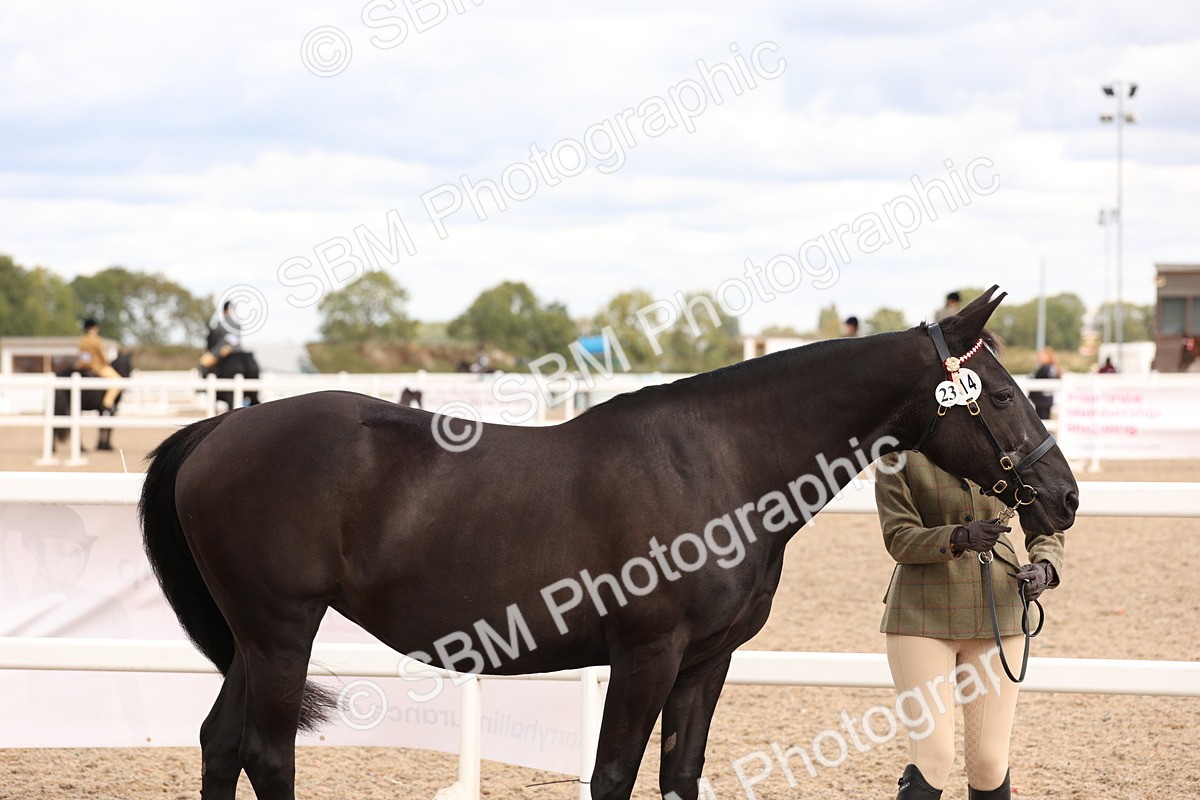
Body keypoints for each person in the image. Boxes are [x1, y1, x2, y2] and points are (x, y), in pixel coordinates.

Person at [876, 450, 1064, 799]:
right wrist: (957, 537)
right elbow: (898, 536)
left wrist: (1046, 566)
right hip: (922, 612)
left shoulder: (1005, 445)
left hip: (1001, 610)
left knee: (990, 761)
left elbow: (1045, 518)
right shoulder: (897, 455)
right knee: (934, 755)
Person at [74, 319, 121, 411]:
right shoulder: (97, 340)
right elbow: (102, 355)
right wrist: (107, 363)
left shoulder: (82, 341)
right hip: (98, 368)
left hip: (84, 367)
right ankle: (107, 403)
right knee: (118, 381)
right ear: (94, 327)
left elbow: (83, 356)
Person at [201, 301, 242, 369]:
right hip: (238, 350)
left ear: (224, 310)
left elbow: (213, 340)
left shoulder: (220, 325)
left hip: (221, 352)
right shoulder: (237, 325)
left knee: (203, 362)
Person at [1028, 346, 1060, 420]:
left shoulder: (1048, 368)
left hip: (1043, 399)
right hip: (1042, 400)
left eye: (1041, 356)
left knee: (1042, 420)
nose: (1038, 358)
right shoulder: (1046, 367)